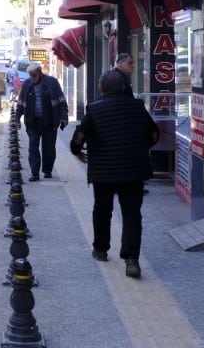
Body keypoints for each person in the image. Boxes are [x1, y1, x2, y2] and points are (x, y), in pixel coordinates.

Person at [69, 69, 160, 279]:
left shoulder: (94, 109)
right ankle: (132, 260)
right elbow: (154, 133)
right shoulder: (138, 107)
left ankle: (101, 250)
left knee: (102, 209)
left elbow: (79, 137)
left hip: (103, 170)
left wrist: (76, 152)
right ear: (122, 87)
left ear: (101, 87)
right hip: (133, 170)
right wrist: (141, 148)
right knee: (132, 214)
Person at [15, 64, 68, 181]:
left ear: (39, 72)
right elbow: (21, 103)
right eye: (30, 75)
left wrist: (64, 117)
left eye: (34, 75)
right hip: (32, 122)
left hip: (49, 122)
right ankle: (34, 173)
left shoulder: (52, 83)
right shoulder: (27, 84)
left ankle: (47, 170)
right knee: (33, 147)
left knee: (48, 148)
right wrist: (17, 118)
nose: (32, 78)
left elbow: (61, 101)